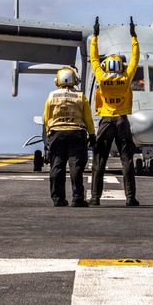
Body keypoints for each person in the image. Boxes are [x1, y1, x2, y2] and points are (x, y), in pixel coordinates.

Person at [89, 16, 141, 206]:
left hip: (105, 122)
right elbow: (135, 58)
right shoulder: (126, 78)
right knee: (127, 160)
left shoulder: (101, 77)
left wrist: (95, 36)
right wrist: (134, 37)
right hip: (122, 121)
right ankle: (130, 198)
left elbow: (93, 58)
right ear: (121, 67)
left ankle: (95, 198)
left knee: (99, 161)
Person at [43, 66, 95, 207]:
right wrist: (92, 134)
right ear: (75, 80)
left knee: (57, 166)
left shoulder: (51, 96)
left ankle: (58, 199)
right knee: (76, 166)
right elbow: (88, 118)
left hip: (56, 134)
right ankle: (78, 198)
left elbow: (46, 118)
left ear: (57, 81)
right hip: (76, 133)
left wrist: (48, 134)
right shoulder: (80, 97)